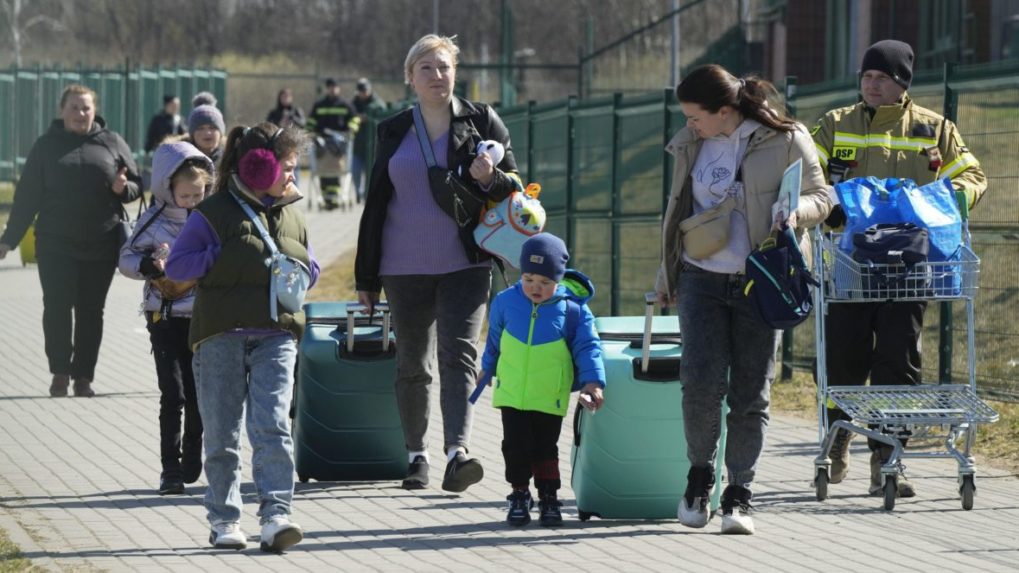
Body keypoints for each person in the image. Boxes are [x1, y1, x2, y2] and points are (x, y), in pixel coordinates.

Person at [654, 64, 831, 535]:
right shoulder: (692, 142)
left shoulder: (786, 137)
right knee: (699, 384)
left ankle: (740, 493)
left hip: (763, 280)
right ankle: (699, 478)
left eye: (696, 116)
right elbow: (678, 211)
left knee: (750, 394)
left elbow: (824, 196)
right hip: (700, 279)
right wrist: (666, 274)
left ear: (725, 110)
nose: (690, 124)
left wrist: (796, 212)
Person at [811, 39, 987, 498]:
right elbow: (806, 174)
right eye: (866, 77)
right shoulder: (835, 125)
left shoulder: (934, 129)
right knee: (842, 359)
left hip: (910, 267)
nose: (871, 85)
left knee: (900, 362)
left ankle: (888, 459)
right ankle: (839, 439)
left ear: (901, 84)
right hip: (848, 266)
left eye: (881, 78)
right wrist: (830, 210)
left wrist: (938, 207)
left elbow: (973, 177)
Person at [355, 34, 523, 493]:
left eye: (444, 67)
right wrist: (365, 277)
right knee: (412, 361)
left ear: (455, 73)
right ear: (410, 77)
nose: (437, 76)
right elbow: (375, 203)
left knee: (459, 356)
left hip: (466, 263)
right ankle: (416, 456)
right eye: (426, 68)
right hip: (401, 266)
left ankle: (457, 453)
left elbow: (515, 189)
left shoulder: (482, 120)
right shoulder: (392, 130)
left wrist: (492, 178)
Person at [164, 122, 319, 552]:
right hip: (221, 335)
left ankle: (276, 516)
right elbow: (177, 268)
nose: (293, 175)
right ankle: (224, 520)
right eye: (287, 166)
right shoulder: (212, 214)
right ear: (257, 167)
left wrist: (303, 270)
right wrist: (224, 256)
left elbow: (312, 264)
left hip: (277, 336)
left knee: (272, 426)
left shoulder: (292, 212)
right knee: (223, 433)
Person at [0, 84, 143, 398]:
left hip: (101, 243)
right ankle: (60, 372)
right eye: (75, 107)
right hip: (55, 244)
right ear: (62, 111)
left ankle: (83, 378)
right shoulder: (46, 146)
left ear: (95, 110)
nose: (81, 113)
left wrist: (123, 189)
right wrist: (8, 241)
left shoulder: (112, 142)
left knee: (92, 311)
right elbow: (27, 198)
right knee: (56, 308)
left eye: (86, 107)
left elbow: (135, 184)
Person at [479, 233, 605, 527]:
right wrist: (486, 368)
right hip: (511, 392)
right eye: (529, 279)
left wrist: (593, 382)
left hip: (550, 393)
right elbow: (494, 341)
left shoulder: (573, 310)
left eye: (545, 282)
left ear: (558, 280)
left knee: (545, 448)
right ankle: (519, 493)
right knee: (515, 445)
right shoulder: (505, 302)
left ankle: (549, 496)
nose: (536, 287)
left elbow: (588, 347)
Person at [119, 142, 214, 496]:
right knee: (171, 393)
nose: (191, 201)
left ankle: (193, 454)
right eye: (185, 194)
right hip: (164, 317)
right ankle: (170, 469)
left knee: (198, 394)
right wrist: (145, 266)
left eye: (198, 194)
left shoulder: (211, 219)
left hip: (203, 319)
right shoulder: (152, 221)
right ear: (167, 188)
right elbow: (126, 258)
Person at [307, 78, 360, 209]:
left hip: (339, 147)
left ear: (338, 88)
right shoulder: (319, 105)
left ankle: (334, 199)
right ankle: (326, 199)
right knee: (323, 171)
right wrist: (309, 132)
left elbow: (354, 119)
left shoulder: (345, 105)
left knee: (337, 169)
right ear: (327, 88)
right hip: (322, 145)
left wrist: (352, 129)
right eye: (330, 87)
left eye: (335, 86)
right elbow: (311, 122)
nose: (332, 89)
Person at [351, 78, 386, 202]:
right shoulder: (354, 103)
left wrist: (367, 116)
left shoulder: (377, 103)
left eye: (365, 90)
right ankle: (359, 193)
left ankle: (368, 195)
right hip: (357, 145)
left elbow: (381, 112)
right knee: (355, 171)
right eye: (361, 91)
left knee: (370, 174)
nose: (363, 93)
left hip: (373, 146)